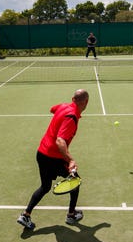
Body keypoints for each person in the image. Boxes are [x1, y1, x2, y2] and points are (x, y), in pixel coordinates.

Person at [17, 89, 90, 230]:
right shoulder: (71, 117)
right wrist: (71, 160)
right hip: (54, 157)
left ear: (73, 99)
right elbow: (60, 141)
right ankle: (71, 215)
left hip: (41, 153)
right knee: (75, 181)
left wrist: (59, 114)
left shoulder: (63, 106)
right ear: (86, 102)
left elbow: (52, 109)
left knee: (45, 187)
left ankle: (26, 215)